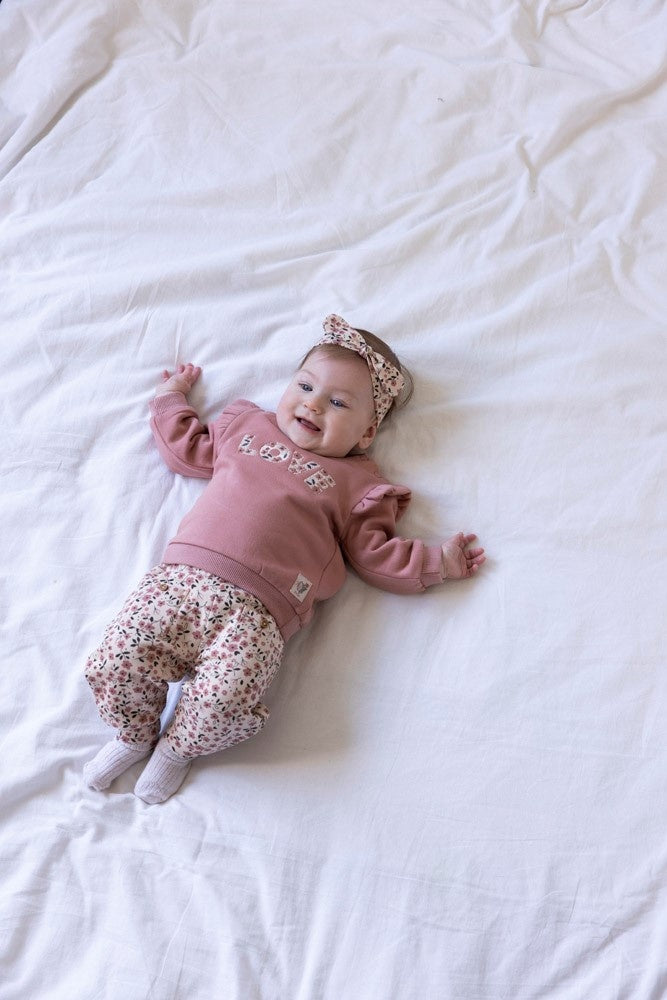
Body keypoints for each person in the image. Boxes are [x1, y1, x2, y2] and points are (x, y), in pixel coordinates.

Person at [83, 314, 485, 804]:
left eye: (338, 403)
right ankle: (133, 734)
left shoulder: (357, 484)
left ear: (366, 433)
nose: (313, 404)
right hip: (180, 582)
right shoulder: (249, 427)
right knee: (116, 660)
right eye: (306, 386)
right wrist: (171, 399)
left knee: (226, 698)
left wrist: (437, 563)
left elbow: (375, 554)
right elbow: (187, 451)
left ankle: (177, 748)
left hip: (259, 615)